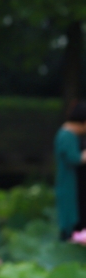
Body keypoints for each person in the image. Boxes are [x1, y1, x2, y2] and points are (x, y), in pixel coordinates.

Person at [56, 102, 86, 240]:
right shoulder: (66, 136)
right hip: (70, 186)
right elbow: (74, 158)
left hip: (74, 186)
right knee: (71, 221)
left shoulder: (69, 135)